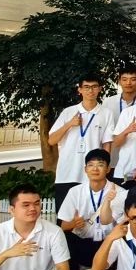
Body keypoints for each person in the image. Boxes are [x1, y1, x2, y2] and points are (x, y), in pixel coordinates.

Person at [45, 72, 112, 209]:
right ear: (79, 90)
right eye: (86, 87)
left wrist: (105, 166)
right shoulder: (68, 112)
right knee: (65, 215)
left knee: (90, 213)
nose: (90, 90)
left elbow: (107, 143)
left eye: (94, 87)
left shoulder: (106, 113)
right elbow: (51, 140)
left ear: (100, 89)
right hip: (67, 172)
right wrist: (69, 124)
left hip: (92, 174)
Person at [57, 149, 122, 270]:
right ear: (85, 169)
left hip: (108, 244)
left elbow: (123, 226)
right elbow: (63, 226)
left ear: (108, 169)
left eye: (100, 165)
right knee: (64, 237)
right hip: (83, 242)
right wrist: (74, 224)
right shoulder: (75, 192)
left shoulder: (120, 192)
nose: (95, 169)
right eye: (91, 165)